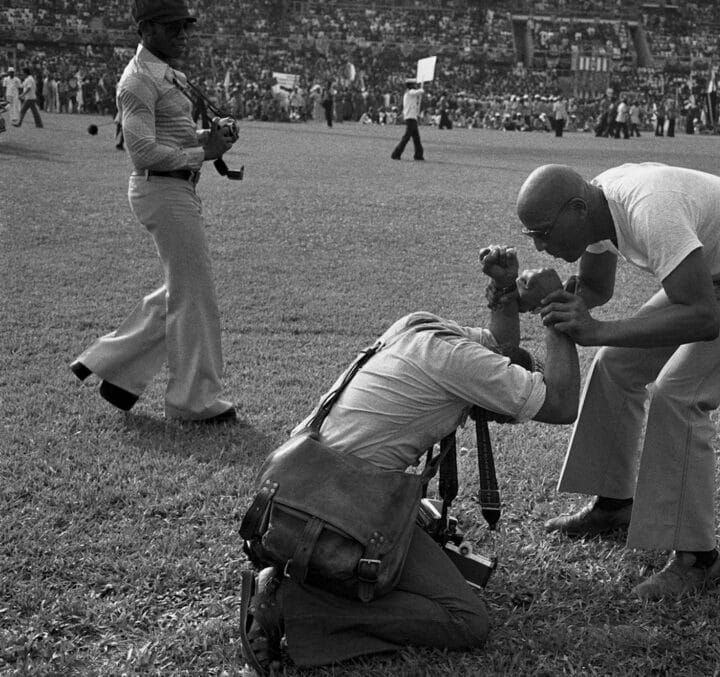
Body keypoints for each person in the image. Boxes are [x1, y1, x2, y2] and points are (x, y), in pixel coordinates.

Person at [238, 248, 581, 674]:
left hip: (292, 482)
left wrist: (506, 293)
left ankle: (295, 575)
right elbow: (564, 404)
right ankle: (292, 605)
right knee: (466, 619)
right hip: (340, 502)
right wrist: (556, 312)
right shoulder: (462, 363)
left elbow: (503, 346)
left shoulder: (420, 328)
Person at [514, 162, 720, 600]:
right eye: (531, 237)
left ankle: (699, 559)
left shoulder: (649, 209)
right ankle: (614, 504)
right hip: (719, 268)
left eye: (543, 232)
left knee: (681, 392)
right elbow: (596, 289)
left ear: (577, 209)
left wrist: (596, 330)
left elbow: (702, 317)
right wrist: (550, 300)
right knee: (616, 363)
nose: (540, 246)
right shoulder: (596, 209)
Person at [69, 0, 240, 423]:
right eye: (171, 27)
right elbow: (141, 150)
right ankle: (192, 402)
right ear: (145, 29)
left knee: (183, 289)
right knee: (195, 296)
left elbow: (174, 135)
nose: (182, 34)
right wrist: (204, 152)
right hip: (161, 190)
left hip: (175, 189)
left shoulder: (167, 75)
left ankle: (115, 370)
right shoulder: (138, 81)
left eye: (185, 26)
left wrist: (211, 136)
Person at [391, 78, 425, 160]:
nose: (415, 86)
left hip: (412, 117)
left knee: (416, 138)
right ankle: (396, 153)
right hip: (410, 117)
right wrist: (422, 89)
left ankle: (418, 154)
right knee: (406, 137)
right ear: (410, 86)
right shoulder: (410, 92)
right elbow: (419, 92)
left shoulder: (408, 94)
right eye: (413, 85)